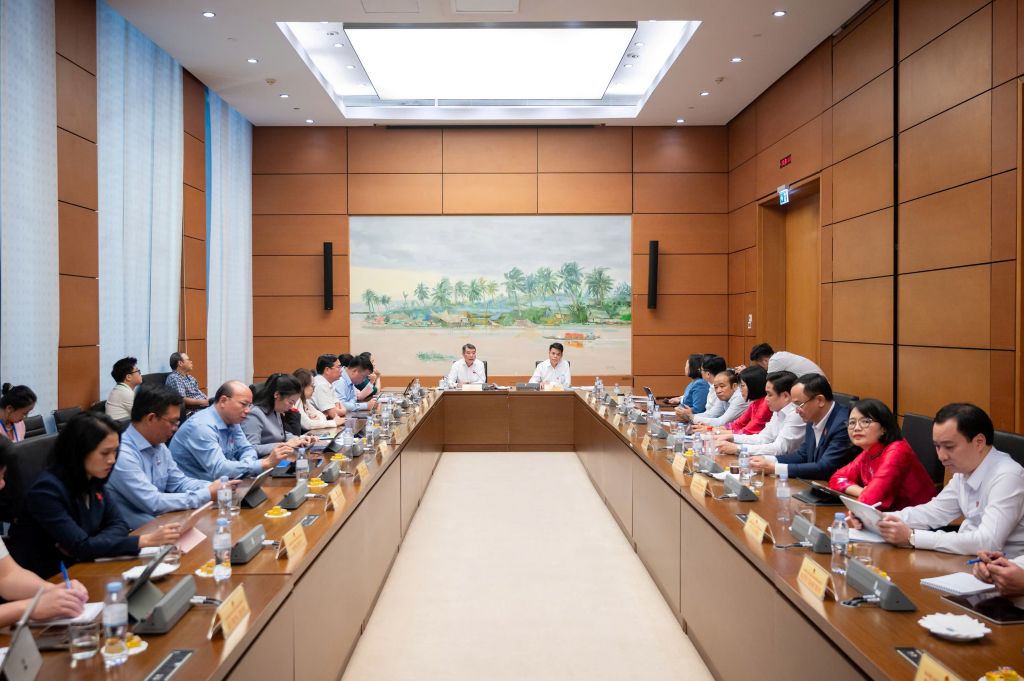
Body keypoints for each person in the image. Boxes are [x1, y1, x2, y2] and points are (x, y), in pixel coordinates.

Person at [7, 412, 182, 578]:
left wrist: (91, 544)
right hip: (51, 578)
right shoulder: (47, 491)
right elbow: (82, 547)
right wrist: (144, 540)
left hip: (86, 566)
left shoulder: (93, 479)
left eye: (115, 451)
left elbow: (118, 524)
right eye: (105, 453)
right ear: (79, 451)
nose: (112, 460)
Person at [850, 403, 1024, 556]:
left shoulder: (1008, 477)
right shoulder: (964, 472)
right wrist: (876, 519)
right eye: (937, 447)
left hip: (1003, 569)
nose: (941, 456)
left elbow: (988, 541)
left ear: (979, 442)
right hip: (967, 559)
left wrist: (912, 537)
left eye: (949, 447)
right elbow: (933, 512)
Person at [106, 386, 238, 530]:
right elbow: (153, 502)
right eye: (173, 422)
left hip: (163, 523)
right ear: (151, 418)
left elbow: (179, 483)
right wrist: (206, 493)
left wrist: (216, 487)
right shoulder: (122, 454)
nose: (175, 428)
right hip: (134, 533)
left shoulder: (159, 445)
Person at [827, 399, 936, 511]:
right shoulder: (869, 452)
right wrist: (863, 491)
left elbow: (872, 499)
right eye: (852, 423)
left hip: (917, 517)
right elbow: (836, 478)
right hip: (889, 515)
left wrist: (868, 493)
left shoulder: (897, 451)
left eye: (865, 421)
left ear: (883, 428)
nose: (856, 428)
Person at [170, 381, 290, 480]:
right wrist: (263, 463)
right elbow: (219, 469)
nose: (248, 410)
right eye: (243, 404)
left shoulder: (232, 420)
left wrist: (248, 464)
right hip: (195, 492)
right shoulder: (201, 427)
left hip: (223, 484)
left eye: (249, 405)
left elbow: (247, 449)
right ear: (223, 401)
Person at [750, 373, 853, 480]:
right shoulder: (811, 416)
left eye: (799, 404)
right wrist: (768, 460)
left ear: (820, 400)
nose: (796, 410)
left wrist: (775, 468)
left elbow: (825, 468)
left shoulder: (843, 425)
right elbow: (803, 455)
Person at [716, 371, 805, 457]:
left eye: (769, 394)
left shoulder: (796, 414)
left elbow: (779, 448)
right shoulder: (778, 410)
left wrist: (738, 448)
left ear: (785, 396)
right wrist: (732, 437)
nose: (766, 399)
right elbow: (763, 438)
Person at [241, 374, 315, 456]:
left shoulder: (275, 410)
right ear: (277, 395)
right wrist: (285, 445)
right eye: (290, 402)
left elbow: (281, 434)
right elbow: (251, 448)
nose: (291, 407)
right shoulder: (254, 414)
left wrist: (300, 439)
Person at [677, 355, 726, 421]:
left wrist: (690, 416)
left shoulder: (719, 391)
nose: (700, 372)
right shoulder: (711, 386)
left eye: (701, 370)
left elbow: (713, 415)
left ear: (708, 374)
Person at [725, 365, 771, 435]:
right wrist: (716, 429)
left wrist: (718, 432)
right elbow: (738, 423)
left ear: (753, 385)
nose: (740, 390)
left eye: (742, 386)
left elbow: (748, 431)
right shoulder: (755, 402)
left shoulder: (765, 404)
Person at [748, 342, 824, 378]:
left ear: (765, 361)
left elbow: (768, 385)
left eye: (760, 366)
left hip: (816, 387)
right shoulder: (780, 356)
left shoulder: (774, 361)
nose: (763, 369)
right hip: (818, 384)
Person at [311, 354, 346, 419]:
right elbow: (333, 414)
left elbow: (338, 405)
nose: (341, 370)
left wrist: (338, 410)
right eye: (338, 367)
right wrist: (344, 411)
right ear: (327, 370)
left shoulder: (328, 383)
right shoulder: (321, 385)